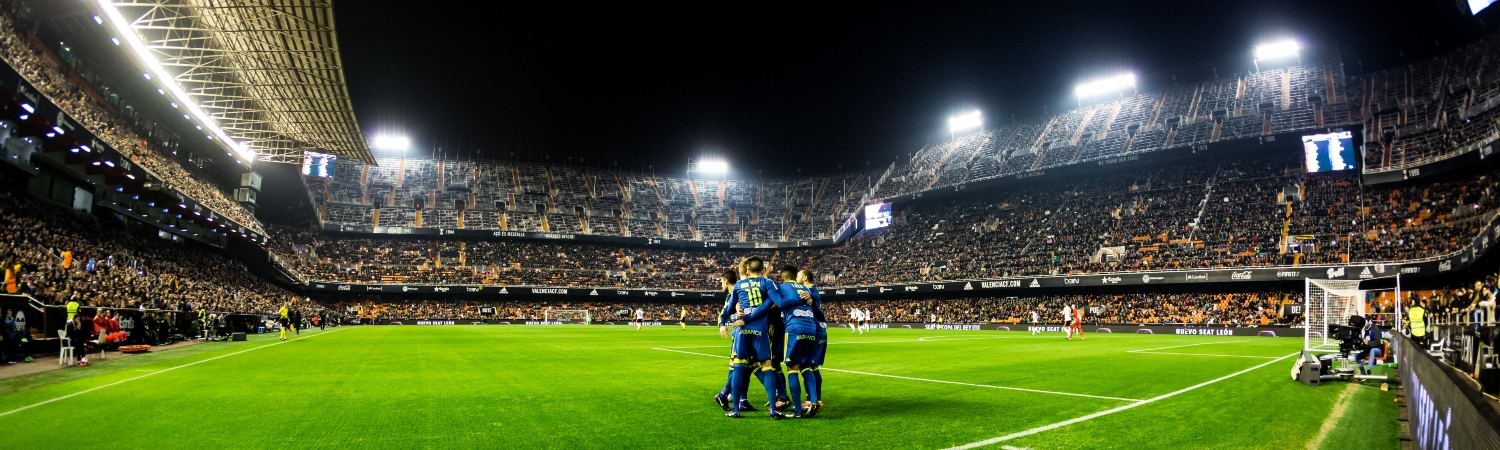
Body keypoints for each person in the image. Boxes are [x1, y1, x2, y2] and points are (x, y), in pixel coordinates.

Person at [725, 256, 786, 419]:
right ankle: (773, 409)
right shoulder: (767, 283)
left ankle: (736, 409)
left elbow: (730, 309)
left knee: (738, 367)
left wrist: (727, 320)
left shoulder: (739, 285)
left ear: (747, 269)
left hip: (742, 329)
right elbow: (779, 302)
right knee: (767, 367)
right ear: (763, 270)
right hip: (760, 329)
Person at [713, 269, 754, 413]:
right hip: (741, 333)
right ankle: (730, 396)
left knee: (743, 367)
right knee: (741, 366)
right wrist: (722, 325)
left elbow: (726, 313)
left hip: (744, 331)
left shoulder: (738, 292)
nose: (720, 284)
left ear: (726, 281)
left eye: (721, 281)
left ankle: (732, 397)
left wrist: (723, 324)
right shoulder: (732, 295)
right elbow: (724, 314)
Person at [796, 269, 828, 418]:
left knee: (808, 365)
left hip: (816, 332)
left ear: (804, 277)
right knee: (813, 366)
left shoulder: (810, 291)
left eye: (798, 276)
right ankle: (816, 399)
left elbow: (814, 298)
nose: (796, 278)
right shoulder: (811, 291)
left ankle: (812, 400)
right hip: (818, 331)